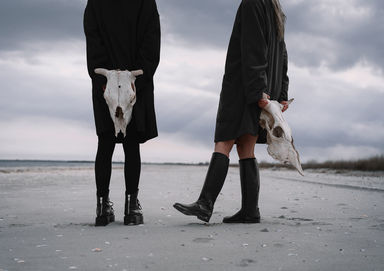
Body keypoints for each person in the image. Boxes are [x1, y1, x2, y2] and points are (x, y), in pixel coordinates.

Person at [173, 0, 289, 223]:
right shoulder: (276, 10)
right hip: (263, 88)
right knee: (246, 146)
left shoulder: (252, 3)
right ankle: (250, 211)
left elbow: (254, 49)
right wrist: (281, 93)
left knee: (224, 141)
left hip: (244, 86)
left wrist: (256, 92)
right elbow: (283, 57)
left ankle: (205, 203)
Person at [84, 0, 160, 226]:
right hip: (135, 81)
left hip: (105, 81)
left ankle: (102, 207)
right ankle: (131, 207)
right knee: (131, 143)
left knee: (105, 143)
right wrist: (137, 75)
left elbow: (93, 38)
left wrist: (103, 76)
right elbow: (151, 39)